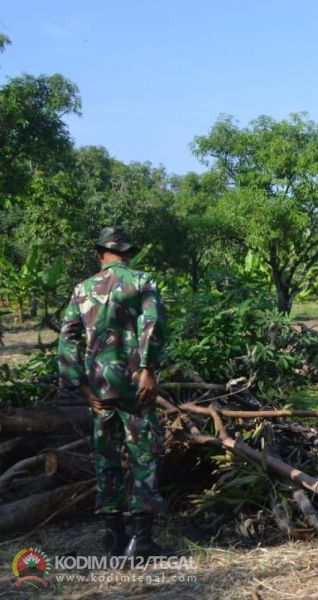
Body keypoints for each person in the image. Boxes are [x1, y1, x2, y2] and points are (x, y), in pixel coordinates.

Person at [58, 227, 171, 557]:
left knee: (106, 460)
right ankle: (142, 540)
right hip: (136, 385)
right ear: (129, 253)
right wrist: (148, 368)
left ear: (100, 254)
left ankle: (114, 538)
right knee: (144, 457)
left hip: (98, 388)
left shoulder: (82, 289)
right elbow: (153, 323)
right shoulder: (142, 281)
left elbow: (67, 337)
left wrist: (81, 386)